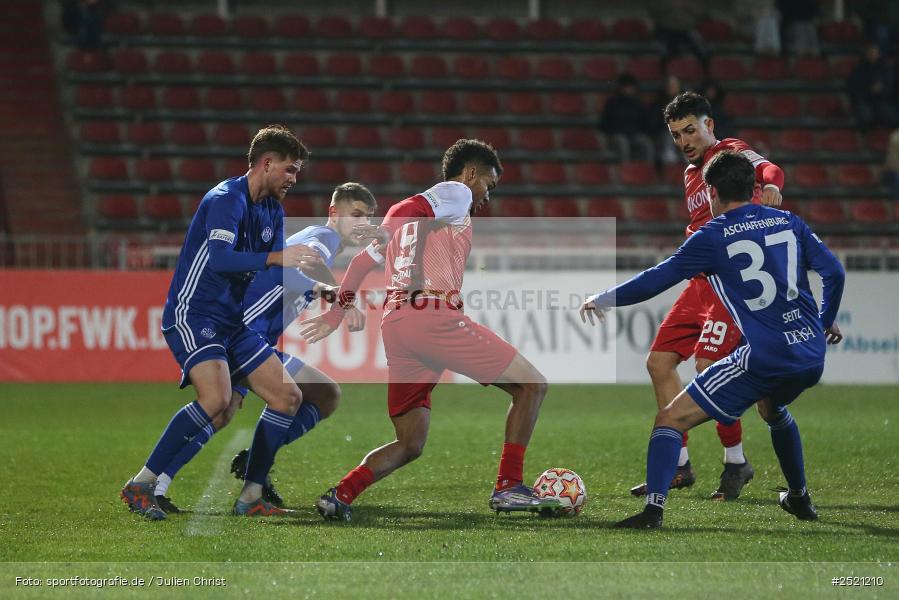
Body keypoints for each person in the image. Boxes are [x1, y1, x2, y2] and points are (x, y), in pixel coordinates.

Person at [581, 151, 845, 528]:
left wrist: (602, 298)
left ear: (711, 193)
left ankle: (653, 511)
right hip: (810, 356)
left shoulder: (713, 235)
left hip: (764, 358)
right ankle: (799, 497)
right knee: (774, 411)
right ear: (753, 189)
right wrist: (824, 321)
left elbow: (659, 278)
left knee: (670, 419)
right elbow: (834, 272)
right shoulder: (789, 221)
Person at [300, 139, 560, 521]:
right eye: (488, 183)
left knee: (410, 442)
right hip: (433, 317)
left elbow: (358, 265)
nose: (487, 195)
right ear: (470, 173)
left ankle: (341, 493)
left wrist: (337, 315)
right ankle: (509, 486)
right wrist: (390, 224)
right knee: (532, 385)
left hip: (397, 324)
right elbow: (405, 208)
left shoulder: (425, 221)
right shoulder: (454, 193)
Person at [119, 125, 326, 520]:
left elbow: (277, 270)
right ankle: (141, 484)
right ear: (266, 163)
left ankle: (250, 497)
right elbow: (220, 259)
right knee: (216, 400)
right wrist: (275, 259)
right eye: (290, 169)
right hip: (193, 312)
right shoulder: (226, 198)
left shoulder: (272, 210)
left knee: (289, 398)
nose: (294, 179)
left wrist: (321, 291)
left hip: (232, 321)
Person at [150, 183, 377, 514]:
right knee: (301, 397)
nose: (362, 224)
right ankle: (243, 481)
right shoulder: (323, 239)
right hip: (244, 332)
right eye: (355, 215)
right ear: (333, 213)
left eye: (367, 218)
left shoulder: (324, 244)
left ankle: (183, 480)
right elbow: (299, 268)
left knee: (234, 410)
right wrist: (334, 292)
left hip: (253, 334)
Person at [630, 92, 786, 501]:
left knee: (708, 366)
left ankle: (736, 462)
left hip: (730, 282)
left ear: (709, 126)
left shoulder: (730, 153)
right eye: (676, 134)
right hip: (699, 282)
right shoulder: (689, 174)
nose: (683, 140)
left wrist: (769, 186)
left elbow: (769, 168)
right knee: (659, 363)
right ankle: (679, 464)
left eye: (690, 130)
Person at [598, 73, 654, 162]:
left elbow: (646, 122)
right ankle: (625, 170)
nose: (628, 90)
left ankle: (647, 170)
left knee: (646, 143)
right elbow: (605, 123)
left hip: (634, 134)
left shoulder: (639, 103)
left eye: (630, 87)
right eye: (626, 87)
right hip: (617, 135)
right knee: (623, 142)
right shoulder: (612, 103)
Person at [846, 43, 896, 132]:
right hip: (864, 102)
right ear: (866, 54)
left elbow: (890, 87)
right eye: (871, 52)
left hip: (881, 101)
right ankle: (864, 138)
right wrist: (870, 90)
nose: (873, 55)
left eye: (875, 52)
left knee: (892, 115)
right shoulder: (858, 69)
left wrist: (882, 89)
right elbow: (853, 90)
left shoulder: (885, 68)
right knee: (865, 115)